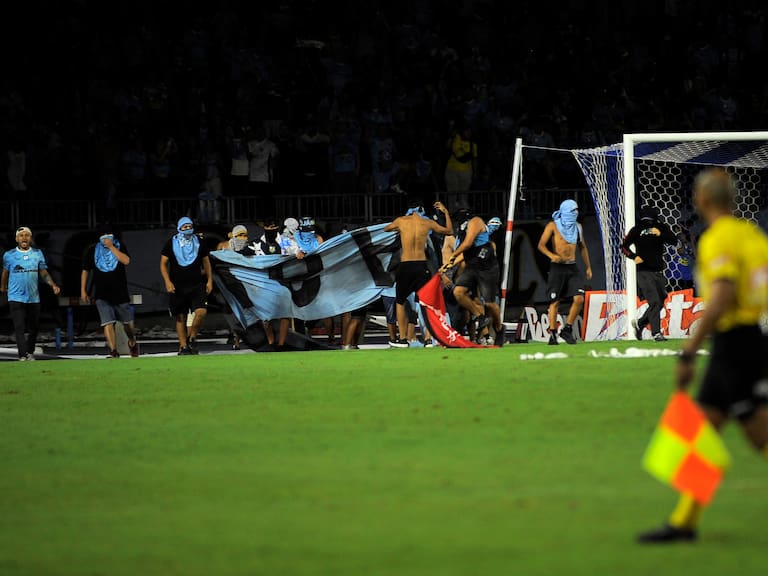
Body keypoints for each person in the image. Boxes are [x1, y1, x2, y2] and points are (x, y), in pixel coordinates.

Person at [638, 167, 768, 543]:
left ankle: (684, 522)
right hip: (746, 338)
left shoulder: (717, 238)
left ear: (702, 198)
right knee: (704, 430)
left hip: (736, 343)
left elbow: (722, 296)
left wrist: (689, 350)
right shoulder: (752, 235)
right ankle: (684, 522)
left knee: (758, 435)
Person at [384, 199, 452, 347]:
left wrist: (399, 228)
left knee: (400, 302)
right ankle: (428, 339)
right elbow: (449, 231)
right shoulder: (427, 223)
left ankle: (403, 339)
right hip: (422, 266)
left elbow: (386, 229)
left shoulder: (401, 221)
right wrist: (445, 212)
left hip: (406, 266)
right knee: (427, 303)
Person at [537, 199, 593, 345]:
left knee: (579, 298)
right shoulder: (553, 225)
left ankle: (567, 329)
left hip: (572, 267)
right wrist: (552, 256)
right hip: (557, 267)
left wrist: (588, 267)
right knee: (555, 301)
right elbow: (541, 245)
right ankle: (553, 333)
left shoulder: (578, 227)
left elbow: (582, 247)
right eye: (573, 210)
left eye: (577, 210)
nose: (576, 213)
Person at [1, 226, 61, 360]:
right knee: (19, 327)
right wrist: (3, 286)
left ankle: (30, 351)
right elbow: (5, 272)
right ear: (17, 239)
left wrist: (53, 285)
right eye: (21, 235)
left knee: (34, 328)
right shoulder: (9, 255)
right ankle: (22, 355)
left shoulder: (37, 253)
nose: (24, 238)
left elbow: (43, 272)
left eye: (26, 235)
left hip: (33, 297)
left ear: (30, 238)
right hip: (15, 297)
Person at [440, 209, 498, 344]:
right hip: (464, 275)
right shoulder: (461, 237)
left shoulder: (469, 238)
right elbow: (461, 255)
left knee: (474, 305)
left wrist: (449, 265)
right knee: (469, 308)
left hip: (470, 274)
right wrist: (447, 268)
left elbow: (463, 254)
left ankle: (483, 336)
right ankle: (479, 337)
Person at [80, 225, 139, 358]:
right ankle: (113, 350)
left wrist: (112, 247)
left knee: (127, 324)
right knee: (107, 322)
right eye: (103, 235)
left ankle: (132, 341)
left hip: (120, 291)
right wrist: (83, 290)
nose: (106, 238)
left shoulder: (120, 246)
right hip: (102, 293)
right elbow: (85, 270)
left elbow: (126, 261)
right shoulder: (93, 250)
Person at [621, 205, 679, 341]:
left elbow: (674, 241)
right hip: (644, 272)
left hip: (658, 272)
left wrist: (661, 234)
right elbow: (623, 246)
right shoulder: (637, 229)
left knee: (660, 301)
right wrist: (634, 256)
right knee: (654, 302)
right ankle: (656, 333)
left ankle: (640, 323)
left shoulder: (661, 227)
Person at [160, 217, 213, 355]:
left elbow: (206, 262)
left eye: (190, 226)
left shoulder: (199, 242)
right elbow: (163, 263)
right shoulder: (171, 243)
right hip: (178, 286)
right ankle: (183, 346)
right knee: (181, 317)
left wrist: (209, 280)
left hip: (197, 284)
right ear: (179, 228)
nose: (188, 229)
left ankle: (192, 338)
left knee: (201, 312)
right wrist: (167, 281)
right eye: (185, 227)